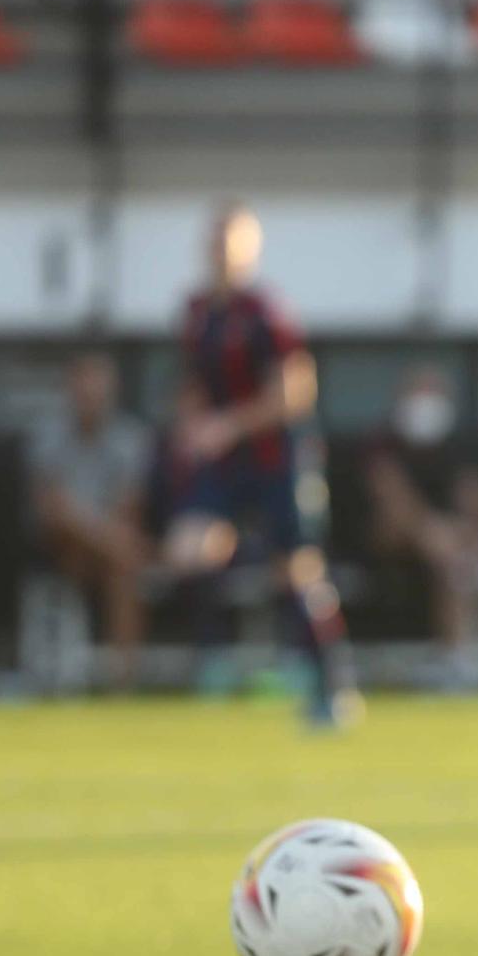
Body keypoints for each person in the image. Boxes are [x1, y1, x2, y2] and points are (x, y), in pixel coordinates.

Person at [163, 200, 360, 726]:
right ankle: (221, 665)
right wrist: (192, 424)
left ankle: (331, 684)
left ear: (250, 249)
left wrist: (227, 425)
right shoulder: (197, 313)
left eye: (232, 242)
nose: (222, 253)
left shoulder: (266, 313)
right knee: (189, 547)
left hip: (276, 462)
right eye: (215, 242)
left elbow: (294, 391)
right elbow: (193, 385)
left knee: (298, 571)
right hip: (224, 467)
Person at [26, 350, 155, 689]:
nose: (91, 396)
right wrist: (98, 531)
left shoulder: (130, 439)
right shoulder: (49, 437)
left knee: (123, 573)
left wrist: (100, 533)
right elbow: (50, 508)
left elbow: (128, 508)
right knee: (116, 550)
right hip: (60, 550)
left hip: (108, 556)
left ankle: (122, 685)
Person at [363, 366, 478, 685]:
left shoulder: (464, 443)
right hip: (390, 539)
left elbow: (474, 504)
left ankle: (456, 659)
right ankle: (456, 657)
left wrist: (455, 534)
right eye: (417, 393)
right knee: (443, 547)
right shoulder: (383, 442)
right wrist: (432, 531)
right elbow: (392, 498)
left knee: (454, 556)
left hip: (452, 545)